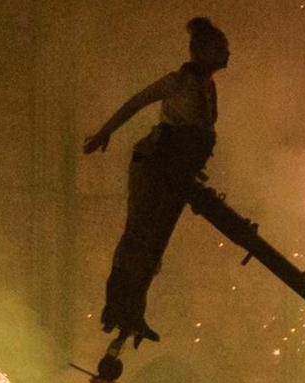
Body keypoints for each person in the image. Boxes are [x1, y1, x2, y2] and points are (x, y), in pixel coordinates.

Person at [83, 16, 230, 344]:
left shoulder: (209, 89)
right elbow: (135, 103)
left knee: (154, 244)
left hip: (180, 171)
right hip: (156, 166)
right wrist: (105, 132)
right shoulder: (176, 82)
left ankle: (134, 311)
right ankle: (116, 306)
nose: (227, 53)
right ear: (203, 52)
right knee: (138, 236)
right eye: (221, 48)